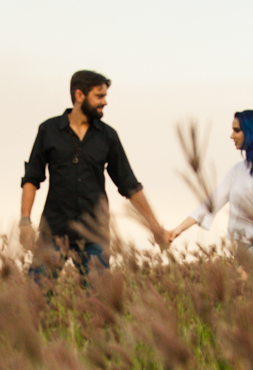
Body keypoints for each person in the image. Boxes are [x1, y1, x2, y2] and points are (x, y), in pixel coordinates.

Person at [20, 70, 168, 277]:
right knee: (36, 293)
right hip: (53, 232)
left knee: (99, 296)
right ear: (79, 95)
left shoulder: (108, 136)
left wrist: (155, 226)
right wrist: (24, 221)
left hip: (94, 235)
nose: (104, 102)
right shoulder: (49, 130)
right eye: (99, 96)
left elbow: (129, 185)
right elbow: (32, 178)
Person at [169, 110, 253, 263]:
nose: (231, 136)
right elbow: (212, 202)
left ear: (252, 131)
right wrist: (178, 230)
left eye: (237, 130)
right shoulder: (238, 170)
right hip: (243, 248)